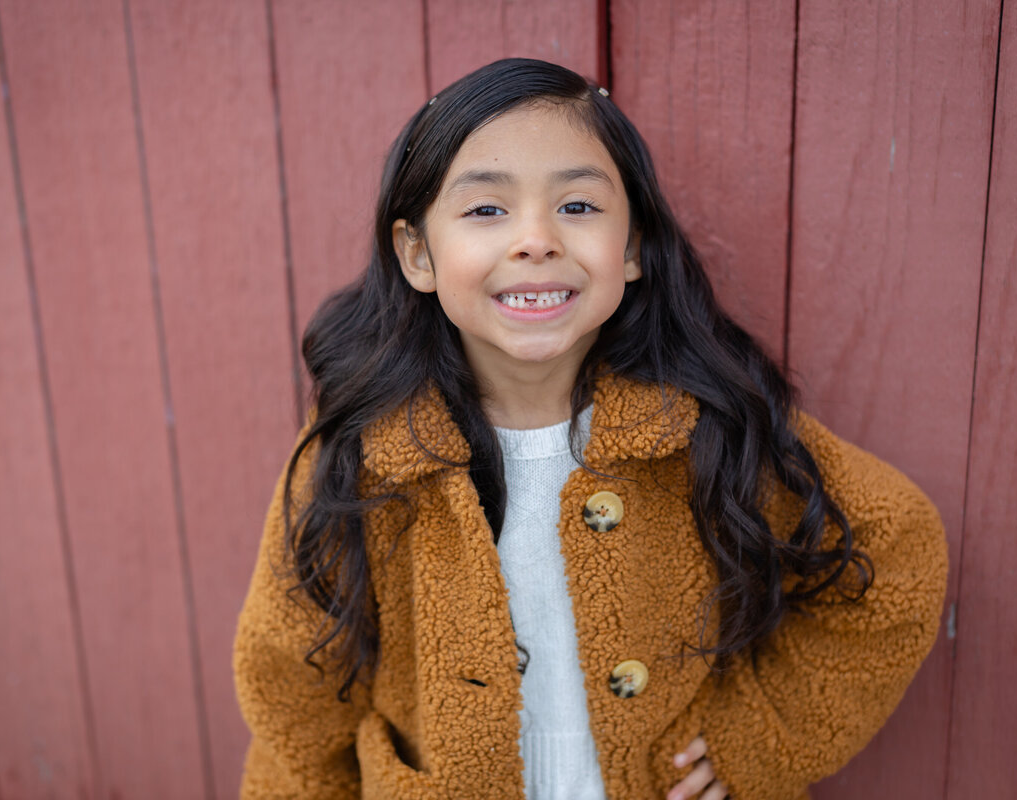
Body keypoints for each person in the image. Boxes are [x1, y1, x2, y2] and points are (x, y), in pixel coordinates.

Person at [232, 58, 947, 800]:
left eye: (577, 207)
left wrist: (760, 738)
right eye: (486, 211)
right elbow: (292, 692)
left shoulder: (700, 427)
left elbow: (895, 552)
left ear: (633, 247)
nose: (536, 239)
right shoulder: (365, 451)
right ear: (417, 253)